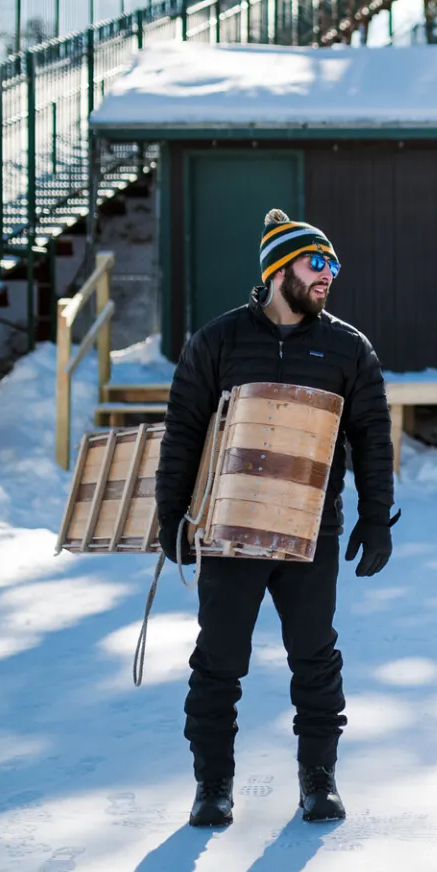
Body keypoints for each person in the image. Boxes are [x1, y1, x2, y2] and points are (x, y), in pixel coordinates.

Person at [154, 209, 397, 828]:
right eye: (318, 263)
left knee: (315, 656)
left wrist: (376, 517)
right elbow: (184, 429)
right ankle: (213, 785)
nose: (329, 277)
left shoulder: (347, 347)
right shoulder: (220, 342)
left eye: (334, 267)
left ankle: (319, 780)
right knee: (219, 660)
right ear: (278, 270)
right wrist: (170, 513)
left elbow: (371, 435)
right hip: (230, 530)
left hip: (311, 529)